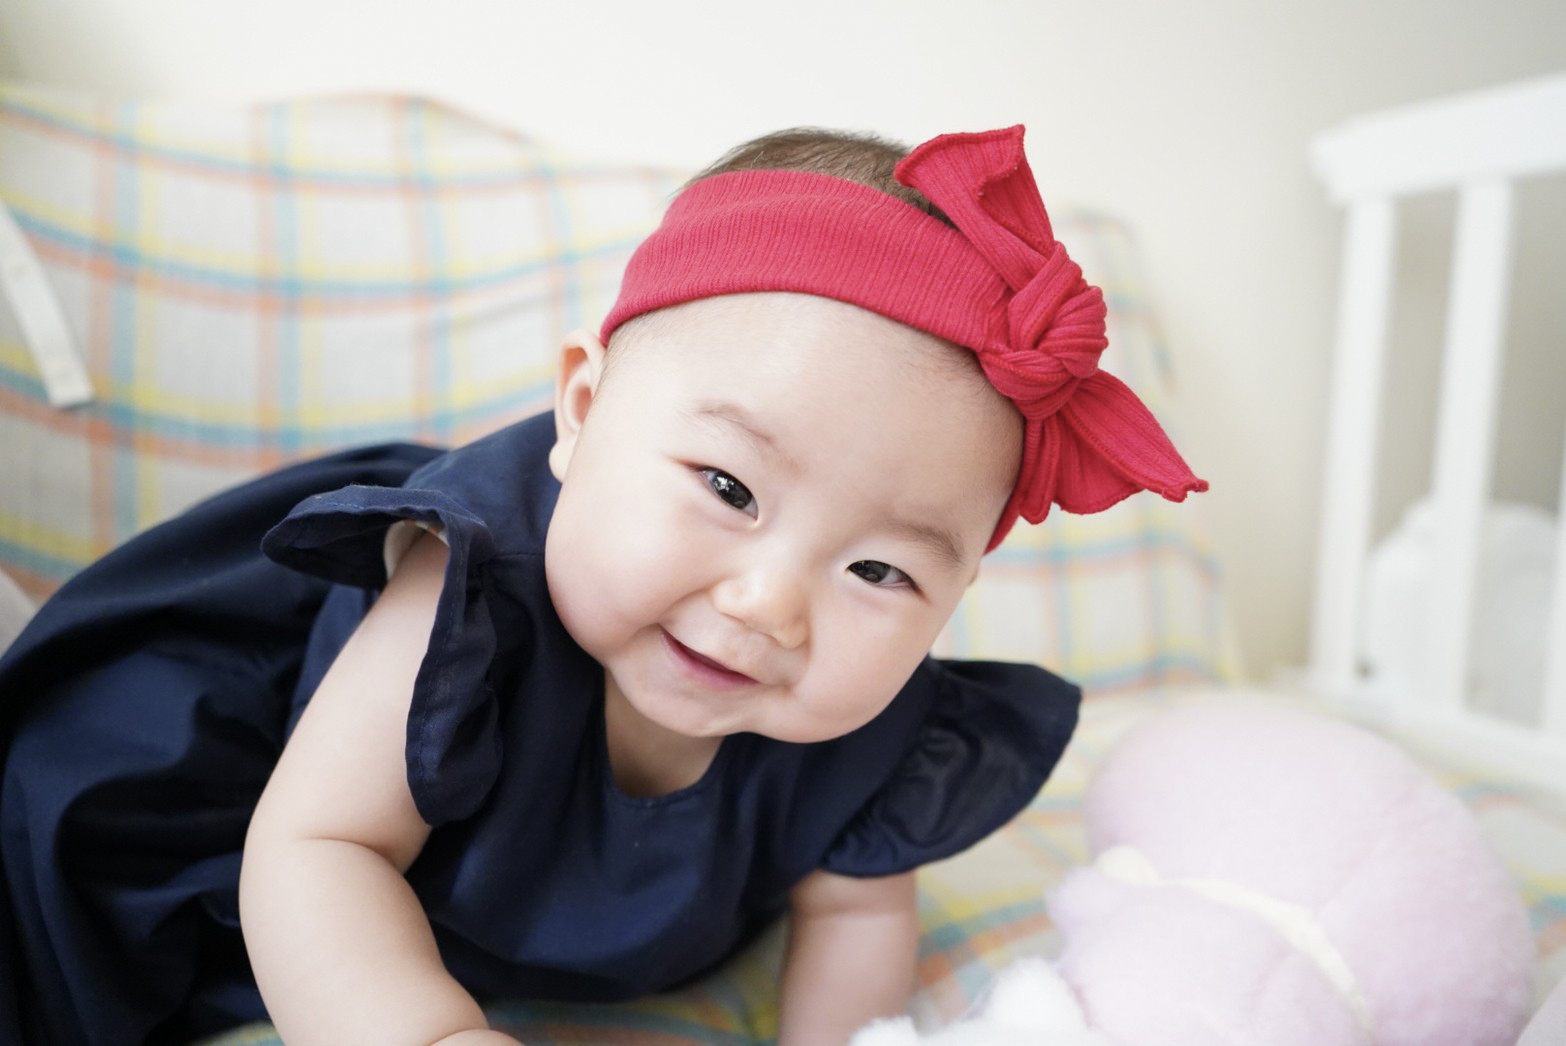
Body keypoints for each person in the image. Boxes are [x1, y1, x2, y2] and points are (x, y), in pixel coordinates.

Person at [0, 124, 1206, 1046]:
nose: (770, 603)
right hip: (249, 824)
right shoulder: (471, 591)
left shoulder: (874, 716)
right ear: (583, 412)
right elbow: (318, 846)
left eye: (880, 568)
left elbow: (853, 918)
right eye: (729, 489)